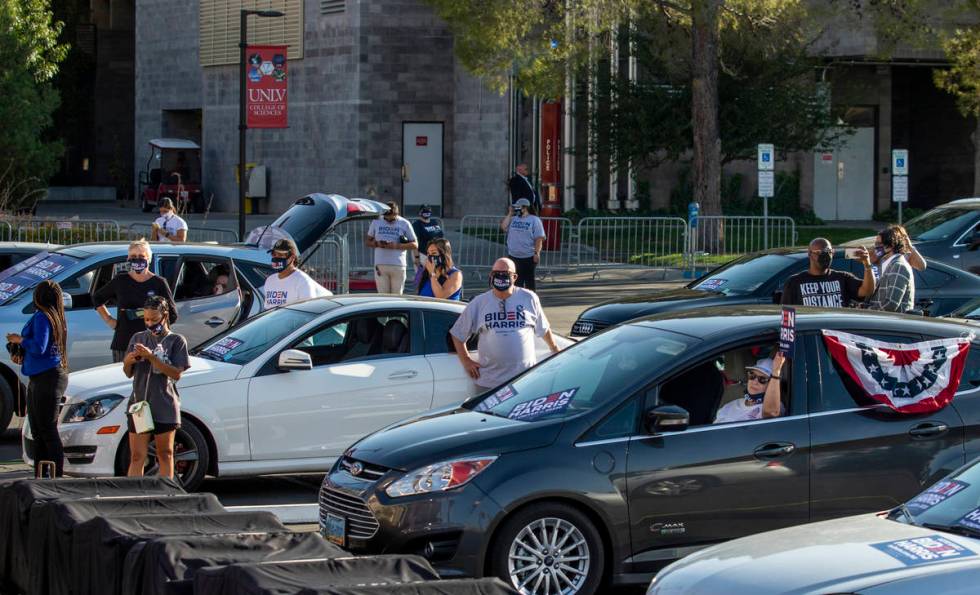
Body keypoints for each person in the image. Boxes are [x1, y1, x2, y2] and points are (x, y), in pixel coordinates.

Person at [450, 257, 560, 390]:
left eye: (505, 273)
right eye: (496, 272)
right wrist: (466, 360)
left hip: (524, 381)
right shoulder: (479, 302)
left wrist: (555, 349)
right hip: (489, 383)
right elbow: (457, 334)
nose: (500, 276)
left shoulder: (529, 298)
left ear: (514, 277)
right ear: (491, 275)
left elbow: (543, 328)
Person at [122, 296, 190, 479]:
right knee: (137, 456)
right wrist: (129, 360)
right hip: (140, 404)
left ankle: (167, 492)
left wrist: (153, 357)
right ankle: (134, 493)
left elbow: (176, 374)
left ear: (165, 316)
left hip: (164, 403)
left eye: (154, 319)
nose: (150, 324)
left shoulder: (176, 340)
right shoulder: (138, 338)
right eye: (146, 319)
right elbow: (128, 372)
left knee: (165, 453)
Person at [6, 281, 69, 476]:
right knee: (39, 431)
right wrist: (21, 354)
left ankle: (54, 475)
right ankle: (42, 474)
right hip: (41, 376)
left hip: (47, 377)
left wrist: (20, 340)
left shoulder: (43, 317)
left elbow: (40, 347)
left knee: (46, 430)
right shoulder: (53, 316)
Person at [95, 239, 178, 362]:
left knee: (149, 379)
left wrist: (156, 326)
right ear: (128, 258)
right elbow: (97, 298)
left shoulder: (159, 283)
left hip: (152, 345)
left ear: (148, 259)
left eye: (141, 256)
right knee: (123, 378)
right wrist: (109, 320)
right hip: (124, 343)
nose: (137, 259)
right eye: (133, 256)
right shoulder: (120, 281)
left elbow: (172, 314)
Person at [781, 237, 874, 307]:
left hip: (836, 331)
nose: (825, 256)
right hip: (809, 331)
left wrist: (867, 264)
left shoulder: (842, 278)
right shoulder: (794, 282)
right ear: (809, 253)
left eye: (829, 252)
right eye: (819, 252)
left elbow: (867, 291)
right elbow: (786, 315)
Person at [262, 238, 331, 309]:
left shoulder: (302, 281)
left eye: (280, 255)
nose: (276, 257)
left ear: (292, 257)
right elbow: (267, 309)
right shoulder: (270, 280)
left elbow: (309, 310)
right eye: (273, 254)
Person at [714, 354, 785, 423]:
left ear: (771, 385)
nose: (755, 382)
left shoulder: (775, 407)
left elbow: (771, 413)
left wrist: (775, 373)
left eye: (762, 379)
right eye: (752, 376)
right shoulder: (730, 405)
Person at [366, 202, 418, 294]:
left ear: (396, 214)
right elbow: (368, 241)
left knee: (397, 296)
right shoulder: (376, 221)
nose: (389, 221)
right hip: (381, 264)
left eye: (392, 219)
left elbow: (415, 244)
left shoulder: (404, 223)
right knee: (383, 296)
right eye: (386, 218)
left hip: (398, 264)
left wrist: (396, 246)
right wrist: (378, 244)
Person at [867, 225, 916, 313]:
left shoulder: (899, 266)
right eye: (875, 244)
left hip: (894, 323)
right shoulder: (888, 264)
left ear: (891, 245)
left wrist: (867, 311)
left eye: (879, 244)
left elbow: (891, 304)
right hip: (885, 320)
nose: (876, 247)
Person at [500, 198, 546, 291]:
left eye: (518, 207)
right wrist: (510, 214)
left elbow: (539, 238)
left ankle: (531, 301)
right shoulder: (513, 219)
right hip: (513, 256)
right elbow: (503, 227)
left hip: (528, 256)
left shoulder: (534, 220)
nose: (516, 209)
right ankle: (517, 301)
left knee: (529, 282)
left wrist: (537, 253)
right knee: (516, 281)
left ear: (525, 208)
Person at [411, 205, 444, 290]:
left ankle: (434, 293)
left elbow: (441, 236)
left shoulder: (434, 222)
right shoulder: (416, 225)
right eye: (424, 211)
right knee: (422, 277)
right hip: (423, 254)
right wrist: (416, 257)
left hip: (436, 254)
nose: (426, 213)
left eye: (428, 211)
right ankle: (419, 293)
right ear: (420, 212)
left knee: (436, 276)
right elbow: (414, 242)